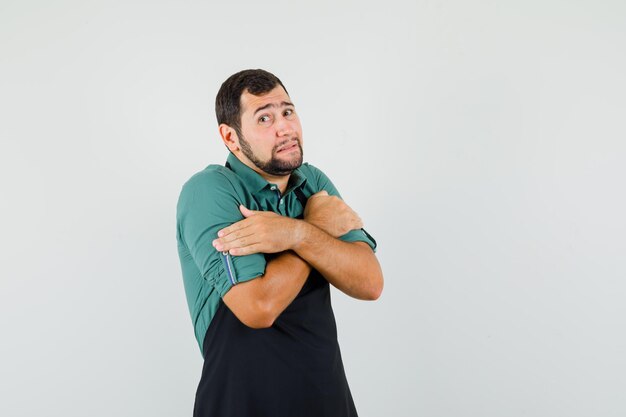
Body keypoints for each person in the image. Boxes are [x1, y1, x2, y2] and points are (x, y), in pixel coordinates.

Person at [176, 69, 384, 417]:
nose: (284, 127)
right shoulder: (210, 192)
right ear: (230, 137)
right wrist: (312, 228)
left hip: (326, 400)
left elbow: (370, 282)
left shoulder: (312, 181)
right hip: (241, 405)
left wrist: (294, 234)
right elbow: (258, 308)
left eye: (288, 111)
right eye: (264, 118)